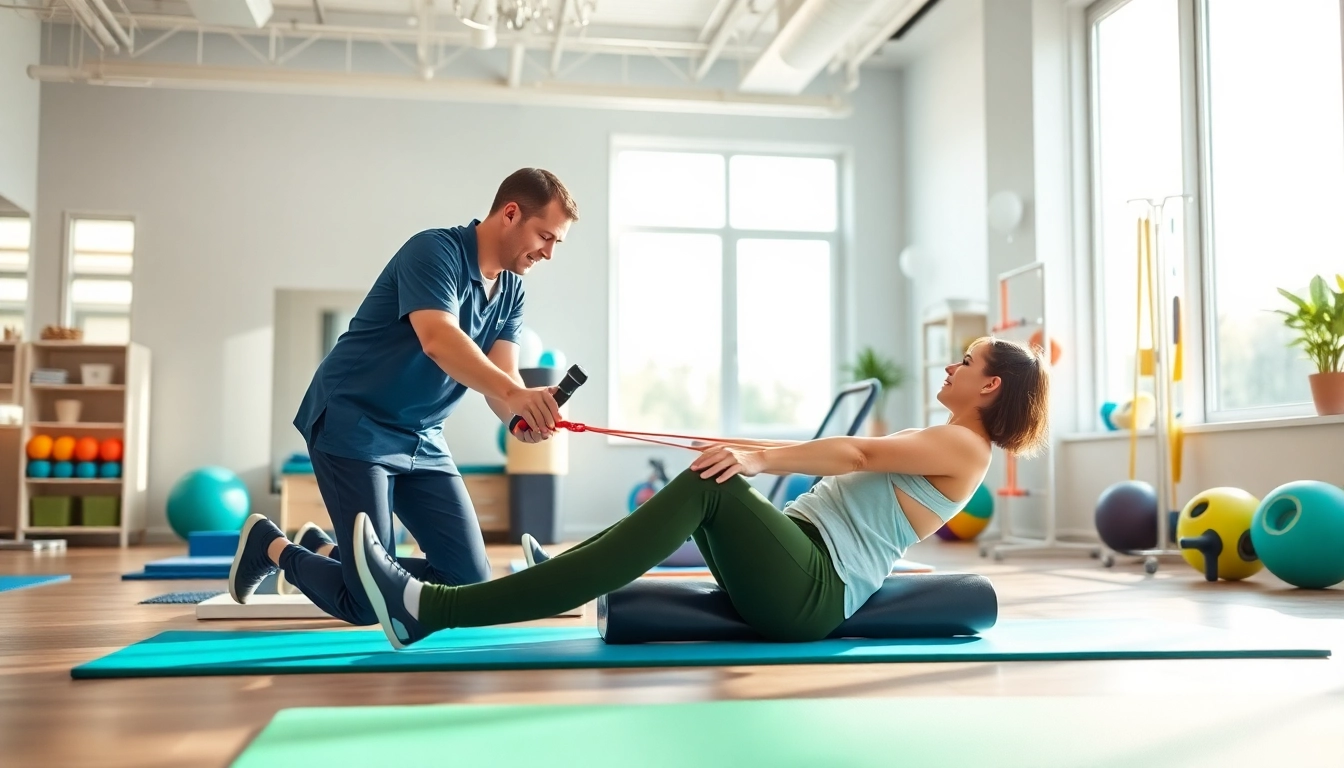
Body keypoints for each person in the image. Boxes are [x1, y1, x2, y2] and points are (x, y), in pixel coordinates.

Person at [354, 337, 1051, 649]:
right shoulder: (948, 435)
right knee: (713, 475)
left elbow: (859, 451)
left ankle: (429, 609)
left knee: (712, 481)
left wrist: (755, 457)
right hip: (801, 557)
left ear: (989, 386)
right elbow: (851, 458)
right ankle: (564, 575)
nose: (954, 365)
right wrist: (746, 455)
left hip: (815, 589)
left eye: (968, 361)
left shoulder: (965, 445)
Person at [228, 168, 580, 626]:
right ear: (510, 213)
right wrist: (515, 394)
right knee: (370, 602)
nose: (549, 253)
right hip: (354, 423)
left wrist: (518, 418)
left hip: (422, 438)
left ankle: (326, 551)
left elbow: (502, 375)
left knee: (467, 582)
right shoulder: (434, 251)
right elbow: (438, 337)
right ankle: (272, 546)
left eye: (558, 243)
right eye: (545, 236)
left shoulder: (512, 290)